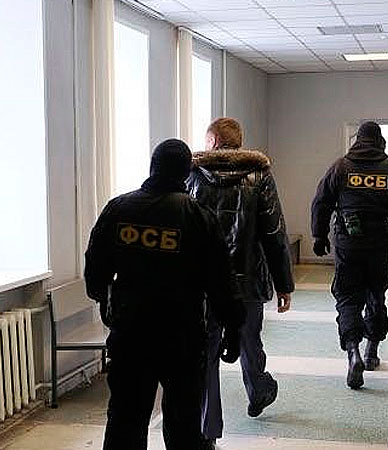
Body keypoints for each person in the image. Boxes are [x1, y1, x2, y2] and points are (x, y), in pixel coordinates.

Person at [84, 139, 245, 450]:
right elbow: (221, 280)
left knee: (125, 419)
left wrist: (103, 299)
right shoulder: (198, 216)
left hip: (131, 332)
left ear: (152, 166)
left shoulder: (119, 209)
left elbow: (95, 265)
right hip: (182, 335)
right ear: (186, 172)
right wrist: (233, 328)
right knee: (184, 422)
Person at [187, 118, 295, 442]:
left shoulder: (193, 175)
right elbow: (274, 233)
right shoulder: (259, 175)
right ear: (239, 143)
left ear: (213, 142)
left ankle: (208, 430)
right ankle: (259, 390)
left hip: (203, 283)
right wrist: (284, 284)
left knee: (206, 353)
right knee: (249, 339)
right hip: (248, 279)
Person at [311, 121, 388, 390]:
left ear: (357, 141)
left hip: (348, 245)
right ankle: (372, 350)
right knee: (376, 294)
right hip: (380, 246)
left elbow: (321, 203)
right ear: (380, 141)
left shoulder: (340, 167)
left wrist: (319, 236)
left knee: (348, 297)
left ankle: (353, 352)